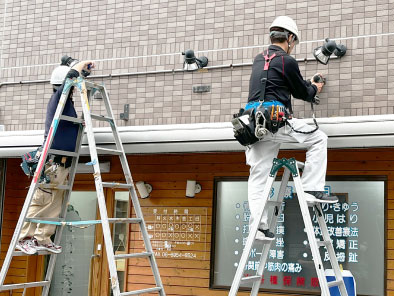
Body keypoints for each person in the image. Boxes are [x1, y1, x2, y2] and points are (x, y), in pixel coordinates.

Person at [245, 16, 338, 241]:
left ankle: (258, 228)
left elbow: (277, 84)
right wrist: (314, 87)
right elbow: (302, 92)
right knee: (318, 139)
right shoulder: (287, 60)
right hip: (277, 121)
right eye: (293, 42)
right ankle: (310, 189)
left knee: (258, 176)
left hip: (252, 125)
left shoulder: (259, 59)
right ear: (289, 37)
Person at [16, 60, 95, 254]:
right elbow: (70, 78)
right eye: (73, 87)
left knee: (54, 203)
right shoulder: (59, 98)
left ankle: (42, 238)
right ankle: (24, 237)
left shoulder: (66, 104)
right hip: (52, 161)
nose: (75, 89)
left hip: (62, 163)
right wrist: (81, 65)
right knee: (42, 200)